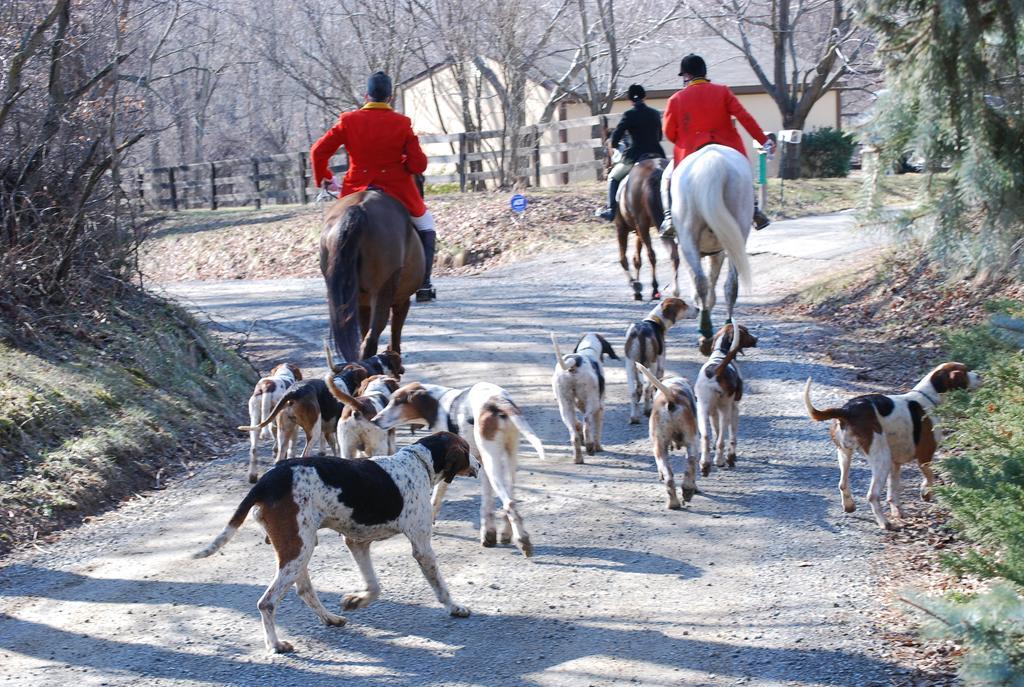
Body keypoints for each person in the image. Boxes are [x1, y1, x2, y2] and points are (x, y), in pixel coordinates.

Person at [310, 71, 438, 302]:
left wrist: (325, 178)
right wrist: (404, 164)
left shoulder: (348, 120)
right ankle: (424, 284)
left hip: (355, 188)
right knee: (427, 225)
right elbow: (419, 164)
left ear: (366, 95)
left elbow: (318, 152)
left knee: (334, 227)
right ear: (390, 97)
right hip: (397, 189)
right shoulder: (402, 123)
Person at [659, 54, 775, 238]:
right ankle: (754, 210)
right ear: (704, 73)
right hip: (727, 146)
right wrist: (764, 141)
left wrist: (686, 138)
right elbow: (745, 118)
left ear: (686, 76)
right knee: (742, 171)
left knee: (668, 178)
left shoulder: (676, 99)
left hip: (690, 150)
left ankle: (669, 220)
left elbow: (669, 133)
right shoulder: (723, 91)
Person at [596, 84, 666, 221]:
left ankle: (611, 211)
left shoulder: (629, 114)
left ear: (630, 100)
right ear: (644, 97)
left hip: (636, 156)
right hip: (657, 154)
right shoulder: (654, 113)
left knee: (613, 177)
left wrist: (616, 145)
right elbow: (659, 136)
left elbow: (615, 138)